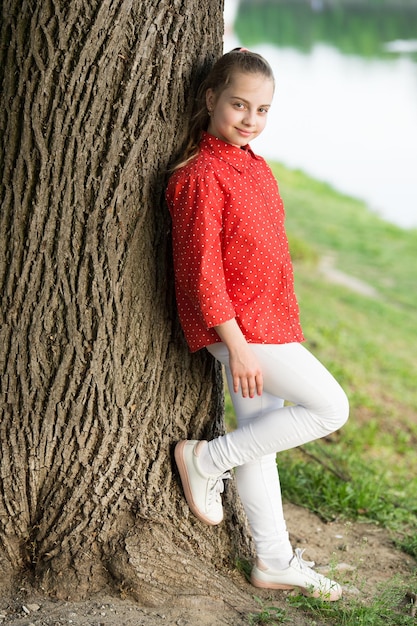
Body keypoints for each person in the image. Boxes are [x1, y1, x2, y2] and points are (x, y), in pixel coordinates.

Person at [165, 48, 349, 602]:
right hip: (242, 333)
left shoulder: (253, 163)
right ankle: (205, 458)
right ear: (210, 99)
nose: (250, 119)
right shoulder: (201, 173)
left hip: (270, 324)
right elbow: (202, 272)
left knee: (259, 442)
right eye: (238, 104)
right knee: (330, 407)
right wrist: (239, 348)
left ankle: (271, 561)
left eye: (262, 109)